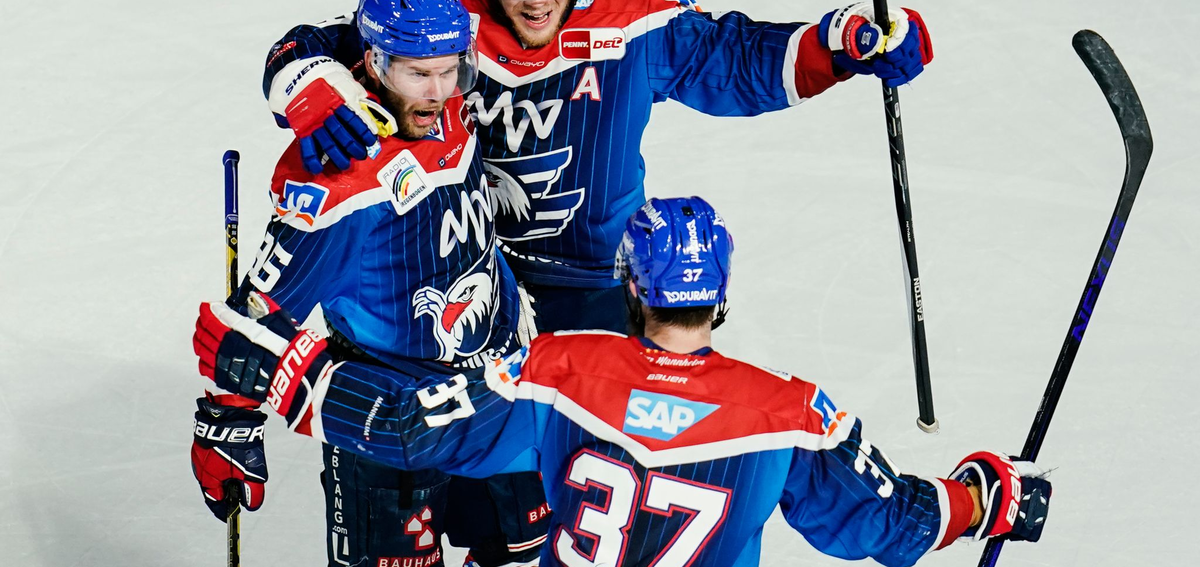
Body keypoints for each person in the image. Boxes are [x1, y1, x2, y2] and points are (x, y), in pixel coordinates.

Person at [192, 196, 1052, 567]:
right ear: (721, 296)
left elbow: (413, 428)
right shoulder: (789, 412)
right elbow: (890, 525)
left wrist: (278, 375)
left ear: (633, 289)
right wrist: (984, 496)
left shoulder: (557, 370)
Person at [262, 0, 934, 336]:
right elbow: (311, 44)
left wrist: (842, 44)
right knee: (462, 468)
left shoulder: (634, 13)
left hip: (592, 279)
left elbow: (733, 61)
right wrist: (312, 86)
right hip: (460, 269)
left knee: (588, 457)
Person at [190, 0, 551, 567]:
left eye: (450, 70)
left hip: (497, 391)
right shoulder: (337, 175)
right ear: (375, 63)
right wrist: (227, 425)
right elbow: (257, 317)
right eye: (418, 74)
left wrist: (301, 71)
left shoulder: (447, 101)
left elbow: (317, 41)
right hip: (388, 419)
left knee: (521, 550)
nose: (438, 93)